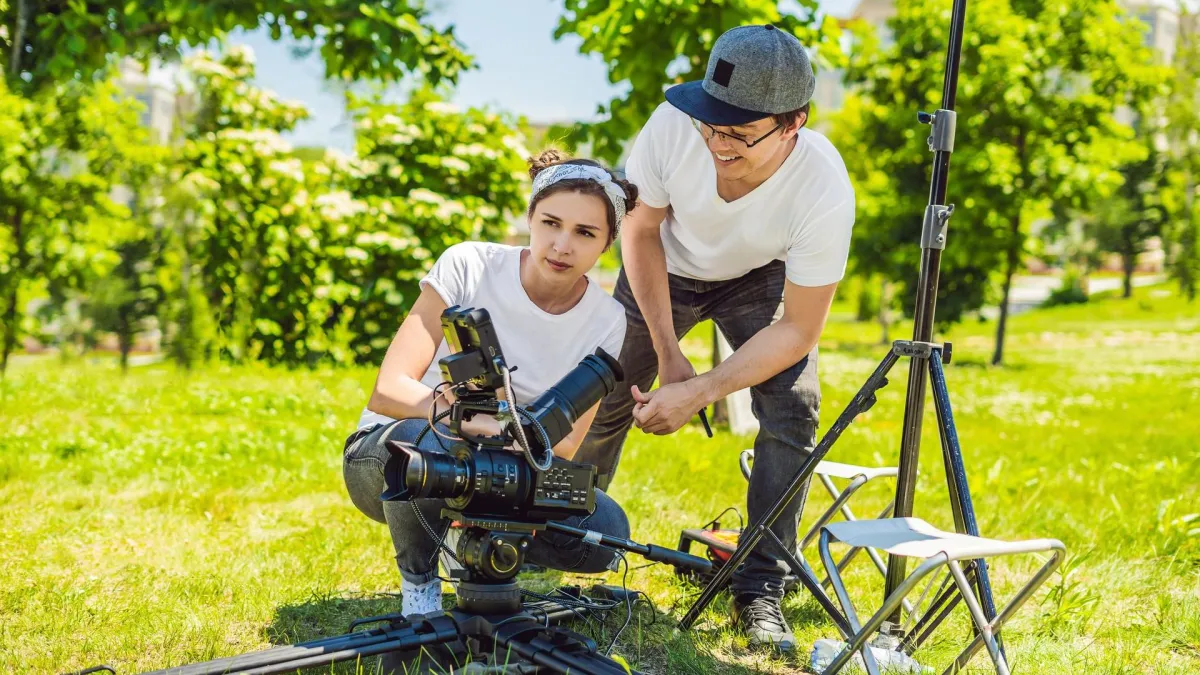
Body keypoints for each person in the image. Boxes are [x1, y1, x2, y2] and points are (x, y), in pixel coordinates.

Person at [574, 25, 856, 652]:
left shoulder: (824, 189)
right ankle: (561, 532)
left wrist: (702, 389)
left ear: (793, 124)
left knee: (794, 405)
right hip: (663, 265)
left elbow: (800, 328)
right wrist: (670, 351)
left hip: (757, 276)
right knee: (602, 390)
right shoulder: (675, 125)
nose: (717, 143)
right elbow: (640, 232)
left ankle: (760, 586)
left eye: (738, 133)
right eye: (712, 125)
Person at [342, 150, 639, 617]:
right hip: (394, 454)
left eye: (585, 233)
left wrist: (498, 427)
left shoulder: (607, 319)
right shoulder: (469, 264)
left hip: (508, 465)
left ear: (607, 244)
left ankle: (472, 545)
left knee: (607, 530)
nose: (562, 245)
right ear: (530, 218)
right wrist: (454, 414)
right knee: (423, 444)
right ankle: (420, 588)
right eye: (550, 223)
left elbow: (562, 450)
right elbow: (390, 391)